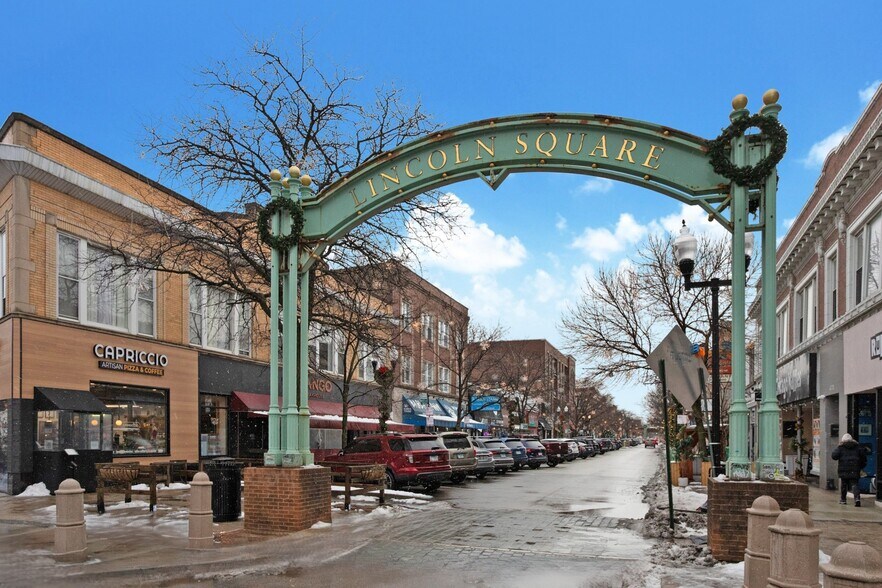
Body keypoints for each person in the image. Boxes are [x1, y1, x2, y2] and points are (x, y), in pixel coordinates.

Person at [832, 433, 868, 506]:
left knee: (844, 485)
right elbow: (864, 458)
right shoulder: (857, 447)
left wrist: (838, 447)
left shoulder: (841, 447)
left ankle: (843, 499)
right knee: (855, 484)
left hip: (843, 469)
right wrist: (861, 466)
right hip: (855, 469)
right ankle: (857, 499)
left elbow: (834, 456)